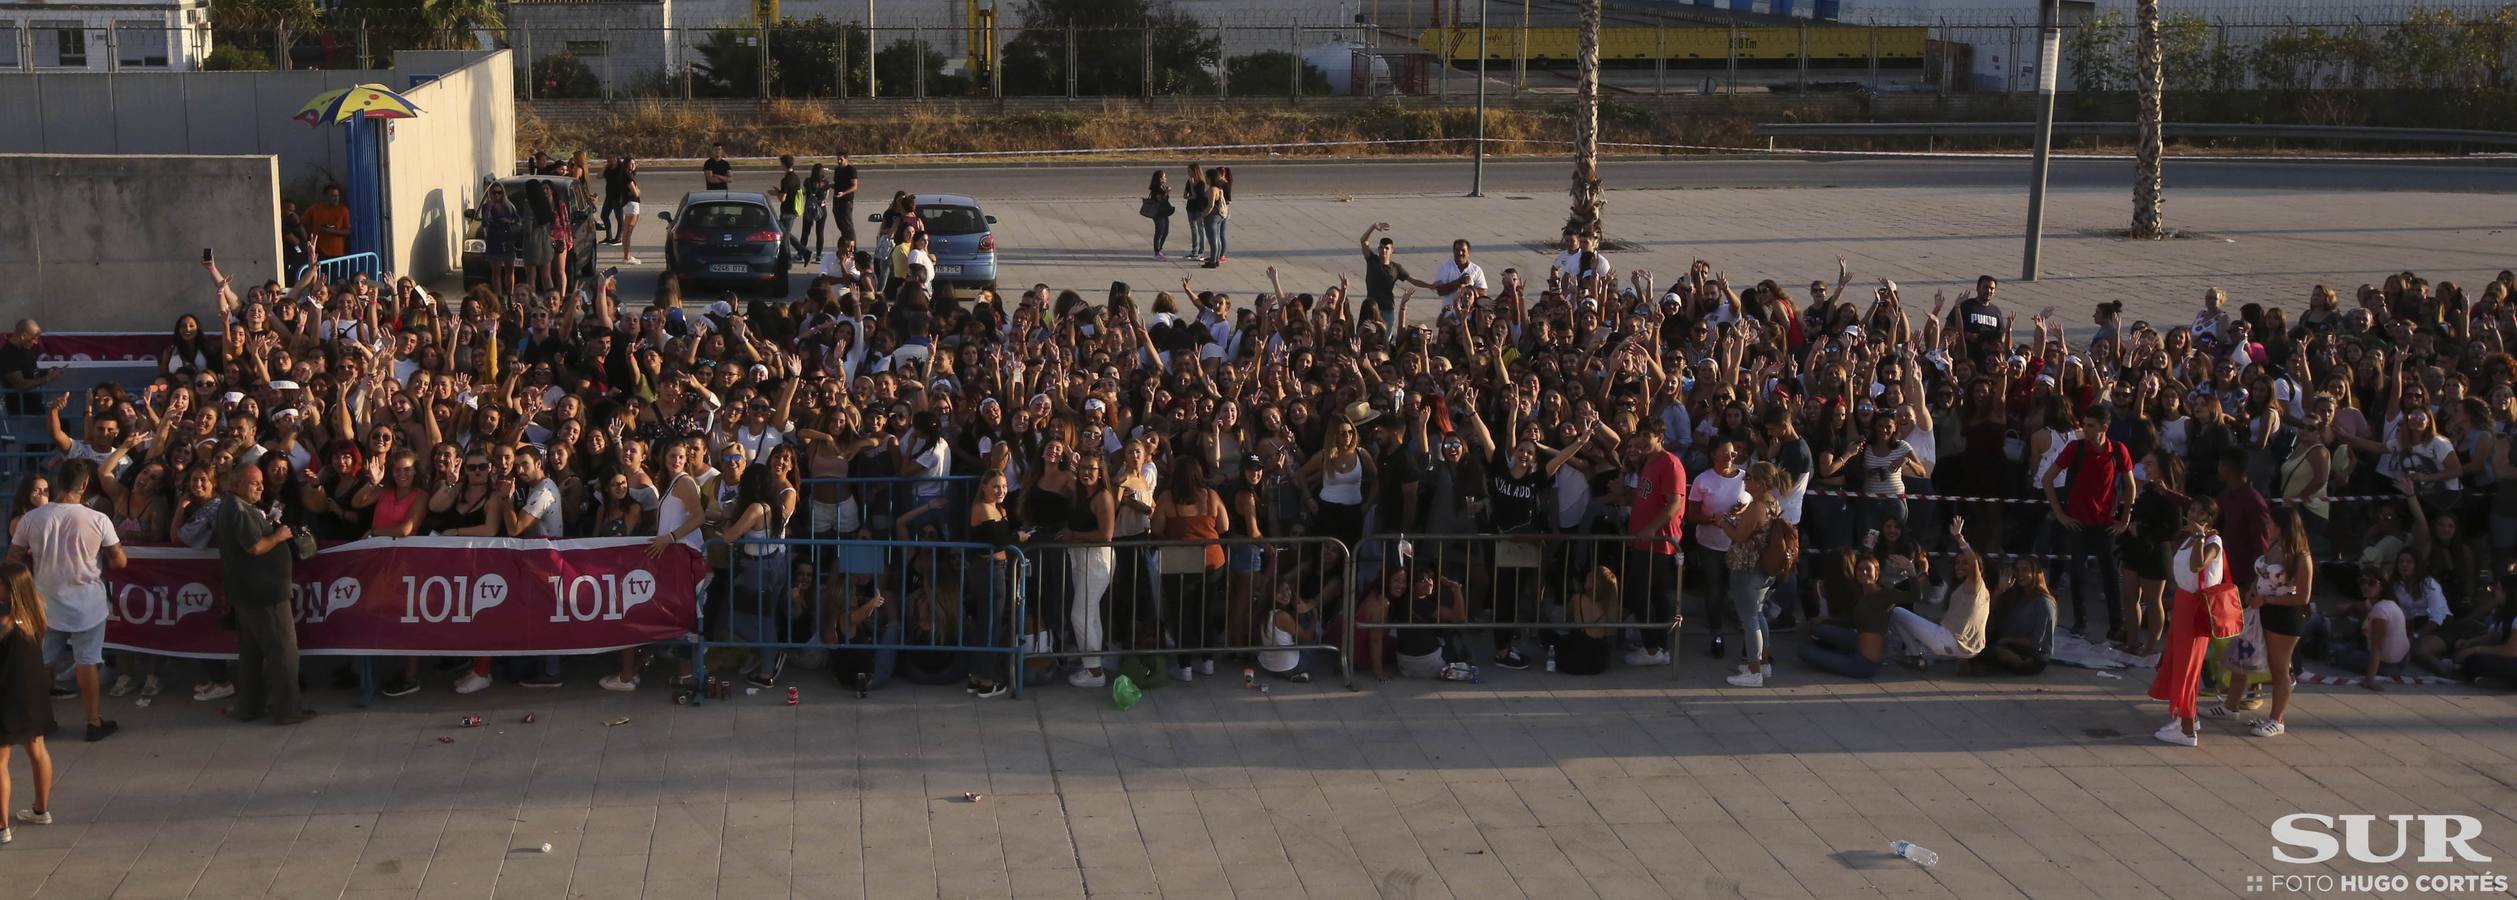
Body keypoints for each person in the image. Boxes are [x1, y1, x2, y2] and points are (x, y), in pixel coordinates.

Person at [5, 460, 123, 742]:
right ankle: (93, 722)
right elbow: (120, 561)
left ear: (58, 483)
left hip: (44, 603)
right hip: (87, 604)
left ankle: (40, 721)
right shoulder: (98, 519)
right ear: (85, 485)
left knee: (42, 663)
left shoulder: (32, 519)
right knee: (87, 662)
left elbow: (12, 559)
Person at [213, 462, 314, 725]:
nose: (260, 486)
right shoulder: (238, 508)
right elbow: (255, 547)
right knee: (283, 652)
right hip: (264, 593)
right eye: (253, 482)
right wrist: (279, 535)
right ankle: (288, 710)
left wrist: (267, 524)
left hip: (248, 592)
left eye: (260, 482)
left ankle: (251, 707)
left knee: (252, 653)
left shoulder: (237, 507)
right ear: (236, 485)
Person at [2042, 404, 2135, 637]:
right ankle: (2079, 620)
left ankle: (2116, 624)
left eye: (2090, 425)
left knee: (2110, 574)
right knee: (2077, 572)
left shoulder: (2118, 450)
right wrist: (2060, 514)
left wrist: (2125, 518)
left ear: (2104, 427)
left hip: (2105, 522)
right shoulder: (2075, 448)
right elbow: (2047, 478)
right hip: (2078, 521)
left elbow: (2130, 486)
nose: (2085, 429)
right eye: (2084, 424)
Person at [2149, 496, 2222, 747]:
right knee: (2177, 662)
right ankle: (2182, 716)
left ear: (2209, 519)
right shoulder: (2189, 537)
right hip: (2182, 603)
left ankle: (2188, 729)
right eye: (2191, 510)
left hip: (2195, 607)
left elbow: (2196, 565)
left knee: (2188, 668)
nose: (2192, 515)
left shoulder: (2213, 542)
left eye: (2199, 512)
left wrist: (2200, 537)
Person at [0, 562, 56, 846]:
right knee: (38, 750)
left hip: (6, 695)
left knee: (0, 761)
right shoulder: (36, 615)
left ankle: (2, 827)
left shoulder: (5, 624)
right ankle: (41, 809)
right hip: (33, 693)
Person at [1717, 461, 1785, 686]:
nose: (1745, 481)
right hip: (1763, 568)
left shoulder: (1757, 506)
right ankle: (1763, 663)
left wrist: (1722, 523)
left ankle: (1754, 671)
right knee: (1757, 614)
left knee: (1749, 619)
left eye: (1749, 479)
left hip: (1748, 568)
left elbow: (1738, 536)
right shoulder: (1771, 502)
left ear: (1760, 483)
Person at [305, 183, 352, 259]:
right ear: (325, 197)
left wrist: (332, 231)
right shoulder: (315, 209)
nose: (336, 198)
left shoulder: (343, 210)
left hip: (336, 253)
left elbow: (348, 231)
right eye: (333, 196)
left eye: (337, 196)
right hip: (318, 251)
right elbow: (302, 223)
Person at [1144, 170, 1174, 261]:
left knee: (1165, 231)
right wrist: (1166, 192)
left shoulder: (1162, 186)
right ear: (1159, 178)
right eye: (1164, 177)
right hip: (1158, 213)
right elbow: (1160, 199)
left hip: (1164, 211)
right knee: (1159, 232)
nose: (1165, 178)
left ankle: (1159, 249)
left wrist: (1165, 191)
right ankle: (1156, 252)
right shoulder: (1156, 188)